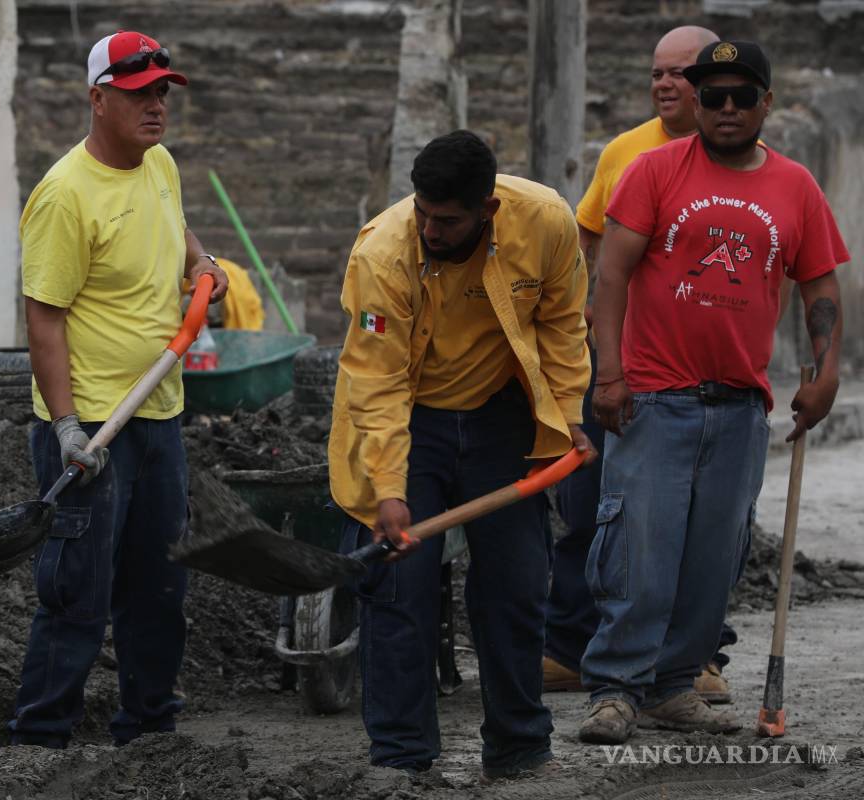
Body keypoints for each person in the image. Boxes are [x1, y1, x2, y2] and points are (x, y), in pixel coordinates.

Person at [579, 40, 847, 744]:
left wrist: (826, 372)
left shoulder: (796, 186)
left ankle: (673, 685)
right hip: (653, 397)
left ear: (766, 103)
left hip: (739, 405)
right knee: (639, 549)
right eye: (713, 96)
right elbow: (610, 276)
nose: (726, 108)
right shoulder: (653, 170)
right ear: (697, 103)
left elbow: (819, 283)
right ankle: (616, 689)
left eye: (741, 96)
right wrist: (609, 373)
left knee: (713, 557)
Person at [328, 129, 596, 781]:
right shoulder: (383, 254)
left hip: (501, 417)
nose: (430, 230)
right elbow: (377, 382)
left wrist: (567, 420)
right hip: (408, 420)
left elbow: (563, 325)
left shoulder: (546, 222)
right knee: (399, 588)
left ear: (488, 209)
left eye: (447, 220)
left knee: (517, 587)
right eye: (423, 213)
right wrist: (390, 489)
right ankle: (401, 758)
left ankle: (519, 748)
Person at [8, 30, 228, 749]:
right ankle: (39, 743)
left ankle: (150, 735)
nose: (155, 106)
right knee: (77, 593)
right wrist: (66, 427)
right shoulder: (65, 194)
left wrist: (203, 264)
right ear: (98, 99)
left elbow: (178, 230)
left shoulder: (159, 163)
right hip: (94, 430)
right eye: (138, 94)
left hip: (159, 415)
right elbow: (43, 317)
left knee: (160, 590)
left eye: (162, 92)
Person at [545, 25, 741, 703]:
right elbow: (586, 239)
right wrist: (581, 332)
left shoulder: (741, 163)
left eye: (678, 73)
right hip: (615, 358)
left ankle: (696, 657)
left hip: (698, 371)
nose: (663, 84)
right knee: (591, 506)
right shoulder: (625, 152)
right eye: (656, 72)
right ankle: (572, 648)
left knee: (696, 520)